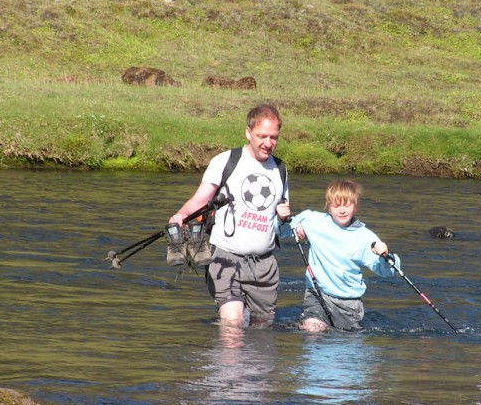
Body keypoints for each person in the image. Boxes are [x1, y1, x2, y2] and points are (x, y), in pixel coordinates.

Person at [168, 104, 291, 326]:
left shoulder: (280, 169)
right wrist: (181, 214)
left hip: (264, 265)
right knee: (232, 321)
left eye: (273, 137)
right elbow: (200, 200)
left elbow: (280, 225)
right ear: (248, 132)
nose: (268, 143)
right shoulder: (226, 161)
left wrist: (284, 218)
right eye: (262, 136)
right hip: (225, 258)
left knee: (261, 331)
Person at [280, 179, 399, 332]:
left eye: (347, 205)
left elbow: (388, 272)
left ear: (355, 207)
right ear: (328, 207)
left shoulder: (366, 238)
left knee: (343, 344)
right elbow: (280, 231)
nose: (342, 210)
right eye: (336, 206)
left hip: (349, 306)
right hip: (317, 296)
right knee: (312, 328)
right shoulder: (312, 221)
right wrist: (285, 220)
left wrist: (386, 256)